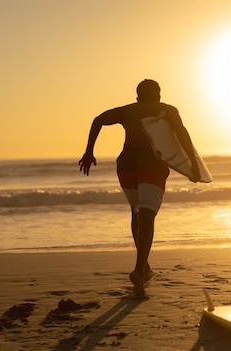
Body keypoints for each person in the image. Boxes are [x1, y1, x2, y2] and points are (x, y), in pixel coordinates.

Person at [78, 79, 200, 297]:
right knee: (147, 214)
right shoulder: (167, 109)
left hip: (126, 164)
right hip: (151, 163)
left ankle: (144, 267)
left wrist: (89, 152)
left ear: (137, 96)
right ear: (159, 95)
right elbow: (182, 134)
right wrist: (193, 165)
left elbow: (98, 120)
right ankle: (138, 269)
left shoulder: (127, 111)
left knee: (137, 212)